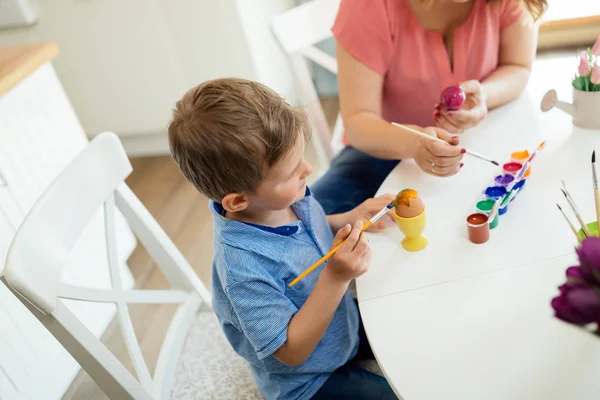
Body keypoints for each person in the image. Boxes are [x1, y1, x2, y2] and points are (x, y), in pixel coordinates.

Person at [167, 78, 398, 400]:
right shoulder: (242, 271)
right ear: (237, 201)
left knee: (408, 328)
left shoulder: (286, 199)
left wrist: (350, 218)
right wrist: (336, 276)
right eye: (290, 173)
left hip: (339, 325)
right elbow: (291, 352)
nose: (307, 169)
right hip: (307, 380)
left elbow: (310, 231)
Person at [312, 0, 547, 215]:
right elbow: (357, 121)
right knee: (313, 221)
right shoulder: (369, 6)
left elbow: (517, 66)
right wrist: (414, 143)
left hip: (483, 135)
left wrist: (484, 96)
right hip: (382, 150)